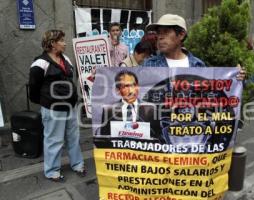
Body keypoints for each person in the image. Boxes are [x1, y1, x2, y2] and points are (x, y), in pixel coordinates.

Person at [29, 30, 86, 182]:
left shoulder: (65, 58)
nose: (65, 43)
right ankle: (52, 171)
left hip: (70, 106)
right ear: (52, 44)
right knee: (54, 140)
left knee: (73, 137)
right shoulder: (40, 63)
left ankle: (77, 164)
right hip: (53, 108)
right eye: (61, 40)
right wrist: (45, 102)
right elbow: (34, 88)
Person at [142, 14, 246, 80]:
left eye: (166, 32)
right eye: (158, 33)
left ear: (181, 35)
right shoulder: (149, 65)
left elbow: (212, 92)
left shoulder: (198, 65)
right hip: (160, 114)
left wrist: (235, 78)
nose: (160, 37)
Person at [100, 70, 165, 143]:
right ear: (118, 90)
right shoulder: (108, 110)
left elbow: (159, 137)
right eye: (126, 86)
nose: (131, 91)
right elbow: (103, 139)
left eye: (134, 85)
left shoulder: (150, 109)